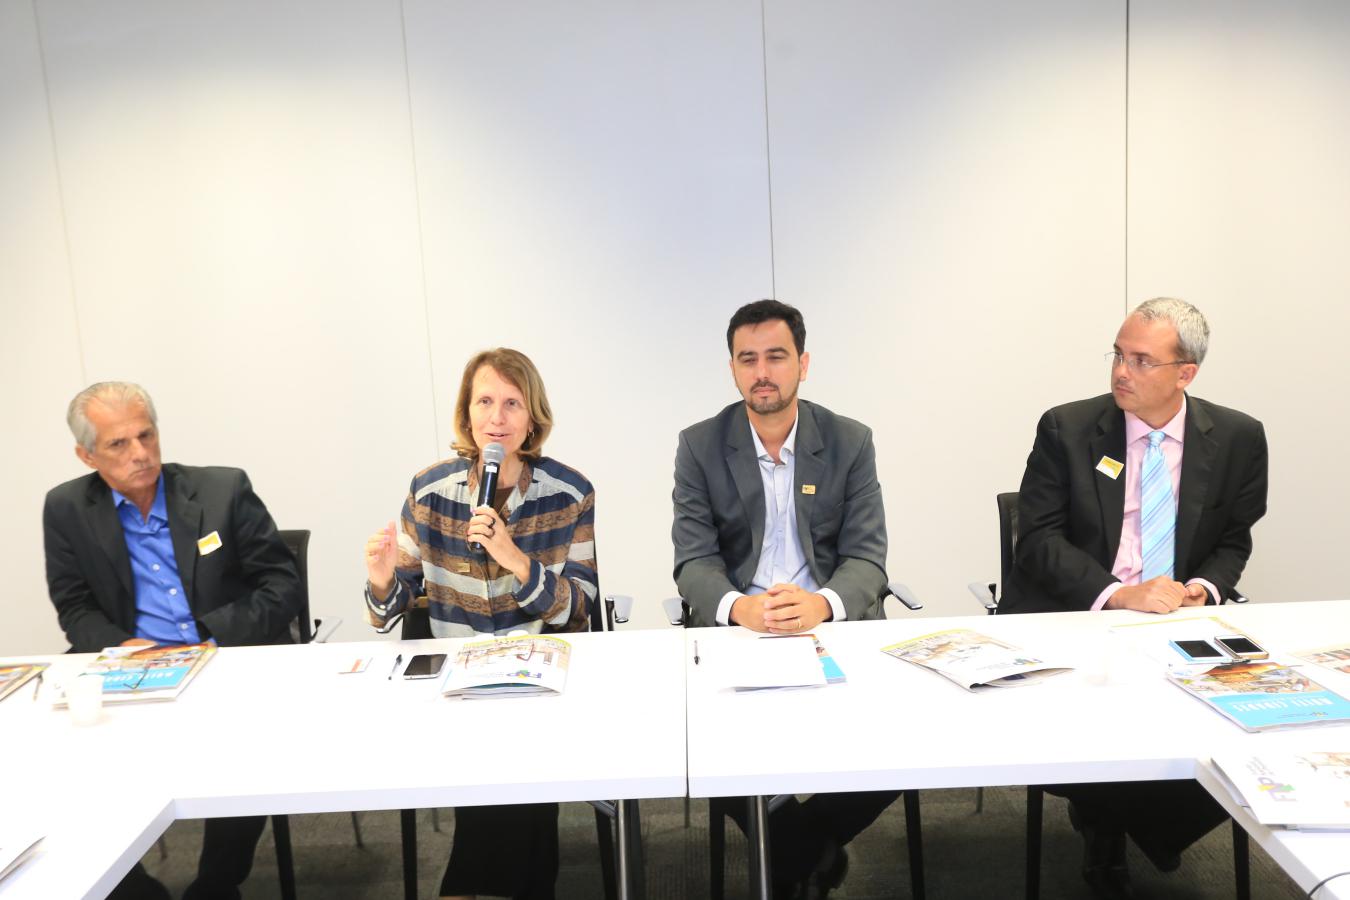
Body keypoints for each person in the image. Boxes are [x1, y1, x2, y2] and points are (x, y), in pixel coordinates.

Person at [1000, 297, 1269, 898]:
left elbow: (1234, 539)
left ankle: (1136, 821)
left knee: (1259, 719)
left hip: (1174, 619)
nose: (1121, 371)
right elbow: (1037, 540)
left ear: (1185, 373)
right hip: (1079, 612)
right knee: (1091, 712)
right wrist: (1119, 594)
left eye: (1142, 360)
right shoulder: (1067, 428)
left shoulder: (1239, 437)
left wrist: (1203, 589)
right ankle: (1109, 823)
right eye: (1118, 355)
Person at [672, 299, 895, 899]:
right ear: (732, 368)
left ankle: (796, 847)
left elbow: (867, 557)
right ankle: (806, 857)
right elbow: (693, 560)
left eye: (776, 356)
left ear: (803, 363)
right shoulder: (699, 445)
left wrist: (821, 604)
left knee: (905, 738)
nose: (762, 372)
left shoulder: (849, 441)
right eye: (748, 359)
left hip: (827, 627)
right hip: (738, 631)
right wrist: (738, 607)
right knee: (707, 746)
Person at [43, 382, 301, 900]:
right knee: (59, 759)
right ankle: (132, 888)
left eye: (146, 435)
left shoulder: (222, 490)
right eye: (118, 444)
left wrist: (211, 638)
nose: (140, 453)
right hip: (133, 670)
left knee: (245, 752)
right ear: (86, 455)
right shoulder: (66, 508)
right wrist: (127, 647)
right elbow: (74, 606)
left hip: (223, 662)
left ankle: (216, 884)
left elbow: (281, 585)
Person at [363, 347, 596, 900]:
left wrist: (516, 560)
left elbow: (580, 608)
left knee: (511, 779)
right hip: (457, 688)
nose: (497, 417)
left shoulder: (570, 493)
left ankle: (464, 888)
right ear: (466, 416)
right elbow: (392, 609)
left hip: (541, 683)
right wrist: (381, 581)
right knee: (510, 795)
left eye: (512, 403)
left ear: (532, 417)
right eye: (484, 402)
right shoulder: (429, 491)